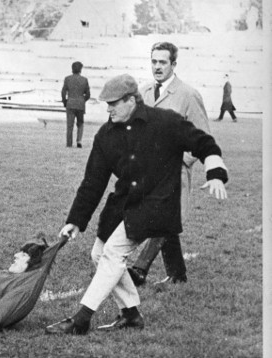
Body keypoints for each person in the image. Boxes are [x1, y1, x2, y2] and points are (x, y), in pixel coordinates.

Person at [45, 74, 228, 335]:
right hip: (124, 203)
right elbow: (93, 182)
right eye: (106, 104)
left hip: (158, 204)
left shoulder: (165, 121)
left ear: (132, 100)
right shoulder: (106, 134)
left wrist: (215, 171)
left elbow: (203, 143)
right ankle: (131, 315)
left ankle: (81, 318)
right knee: (98, 254)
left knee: (113, 253)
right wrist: (75, 220)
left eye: (113, 103)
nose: (108, 109)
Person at [128, 41, 212, 287]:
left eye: (162, 62)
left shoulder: (188, 95)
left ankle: (140, 269)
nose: (157, 66)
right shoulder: (142, 93)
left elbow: (203, 136)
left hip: (173, 174)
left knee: (162, 218)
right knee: (165, 220)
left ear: (173, 64)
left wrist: (182, 161)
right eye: (153, 61)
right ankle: (178, 274)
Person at [61, 61, 91, 148]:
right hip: (80, 105)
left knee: (69, 125)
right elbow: (88, 94)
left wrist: (65, 101)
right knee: (80, 123)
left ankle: (69, 143)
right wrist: (82, 100)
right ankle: (79, 140)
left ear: (72, 69)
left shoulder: (67, 79)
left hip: (70, 103)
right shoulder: (84, 80)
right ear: (80, 69)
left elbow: (63, 92)